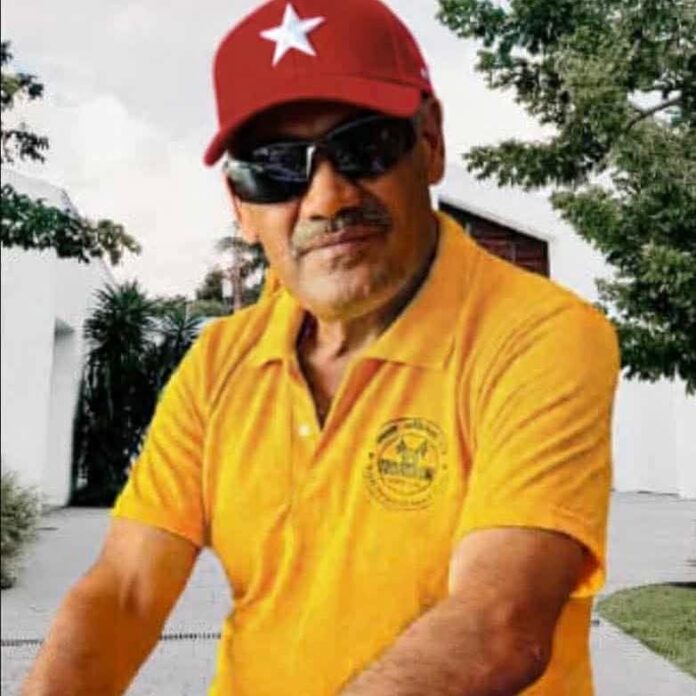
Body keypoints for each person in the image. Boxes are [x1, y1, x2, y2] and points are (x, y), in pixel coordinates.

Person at [22, 1, 620, 694]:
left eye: (364, 146)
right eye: (277, 168)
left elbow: (498, 623)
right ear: (240, 206)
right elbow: (125, 593)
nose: (327, 198)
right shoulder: (218, 363)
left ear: (430, 143)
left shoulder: (539, 337)